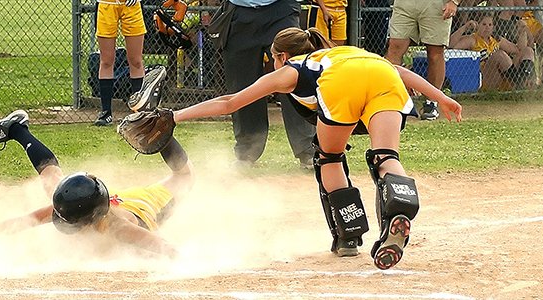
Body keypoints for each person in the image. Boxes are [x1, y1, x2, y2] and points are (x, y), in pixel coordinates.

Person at [172, 27, 462, 269]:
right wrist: (441, 98)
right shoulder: (342, 52)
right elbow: (396, 70)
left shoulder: (293, 69)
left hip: (343, 85)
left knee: (329, 158)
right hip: (382, 76)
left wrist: (173, 116)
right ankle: (399, 209)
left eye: (273, 57)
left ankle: (349, 237)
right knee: (386, 156)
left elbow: (230, 103)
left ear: (282, 56)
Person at [0, 110, 193, 255]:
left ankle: (162, 133)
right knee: (52, 182)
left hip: (145, 203)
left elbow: (166, 248)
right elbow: (20, 222)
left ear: (91, 220)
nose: (65, 225)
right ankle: (16, 128)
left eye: (73, 224)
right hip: (106, 200)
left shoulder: (122, 229)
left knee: (185, 177)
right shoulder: (68, 204)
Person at [221, 0, 316, 168]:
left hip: (280, 10)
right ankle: (246, 152)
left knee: (294, 76)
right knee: (243, 84)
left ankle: (308, 151)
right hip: (239, 11)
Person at [385, 0, 459, 121]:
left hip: (436, 5)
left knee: (435, 52)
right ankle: (387, 99)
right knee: (395, 47)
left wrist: (454, 2)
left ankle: (431, 103)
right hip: (405, 4)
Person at [94, 0, 148, 126]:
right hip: (106, 4)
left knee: (136, 60)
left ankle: (139, 111)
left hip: (131, 6)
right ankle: (106, 112)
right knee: (106, 60)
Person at [449, 14, 535, 90]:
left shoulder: (496, 39)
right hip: (484, 77)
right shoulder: (472, 39)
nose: (487, 27)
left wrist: (522, 31)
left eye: (490, 25)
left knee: (528, 50)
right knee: (499, 55)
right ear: (478, 25)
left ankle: (525, 82)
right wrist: (465, 27)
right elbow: (451, 45)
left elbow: (518, 50)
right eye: (484, 24)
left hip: (504, 76)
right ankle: (520, 84)